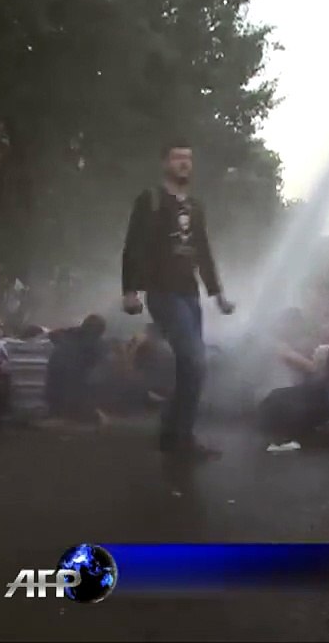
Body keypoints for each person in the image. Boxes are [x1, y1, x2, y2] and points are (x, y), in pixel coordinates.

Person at [121, 140, 235, 459]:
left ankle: (173, 433)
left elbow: (204, 253)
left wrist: (217, 295)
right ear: (165, 163)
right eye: (177, 158)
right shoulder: (152, 199)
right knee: (195, 361)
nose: (184, 163)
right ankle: (179, 434)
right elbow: (134, 245)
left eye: (188, 158)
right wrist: (130, 290)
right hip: (162, 292)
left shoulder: (195, 206)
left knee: (191, 366)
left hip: (189, 293)